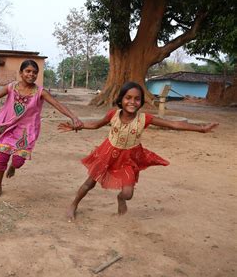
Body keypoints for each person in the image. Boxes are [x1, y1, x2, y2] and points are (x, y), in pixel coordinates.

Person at [59, 82, 218, 220]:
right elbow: (95, 125)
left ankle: (120, 200)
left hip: (128, 158)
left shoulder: (145, 119)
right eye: (128, 97)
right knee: (89, 183)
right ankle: (73, 205)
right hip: (107, 154)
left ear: (141, 102)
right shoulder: (113, 114)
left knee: (128, 194)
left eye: (137, 99)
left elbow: (173, 124)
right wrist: (76, 125)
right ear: (121, 99)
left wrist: (201, 129)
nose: (132, 102)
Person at [0, 59, 84, 198]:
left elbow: (57, 105)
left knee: (18, 162)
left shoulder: (40, 92)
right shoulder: (11, 87)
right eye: (28, 71)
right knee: (2, 158)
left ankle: (13, 167)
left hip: (26, 133)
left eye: (34, 72)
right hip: (8, 128)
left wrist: (73, 117)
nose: (31, 74)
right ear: (21, 73)